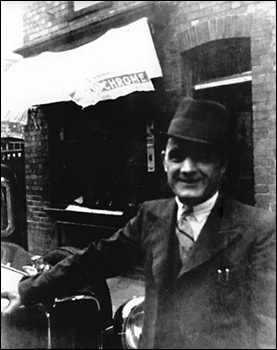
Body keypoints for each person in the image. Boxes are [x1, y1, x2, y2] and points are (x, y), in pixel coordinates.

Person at [1, 97, 276, 349]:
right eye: (178, 156)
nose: (188, 169)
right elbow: (93, 259)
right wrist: (28, 290)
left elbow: (268, 327)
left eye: (202, 157)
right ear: (164, 162)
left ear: (222, 165)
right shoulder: (152, 215)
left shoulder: (258, 229)